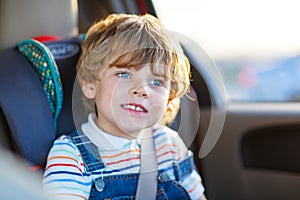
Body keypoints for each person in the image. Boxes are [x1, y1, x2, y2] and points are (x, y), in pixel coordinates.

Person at [43, 13, 206, 200]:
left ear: (169, 98)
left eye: (156, 82)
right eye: (124, 74)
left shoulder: (168, 145)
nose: (141, 90)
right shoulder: (71, 156)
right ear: (90, 84)